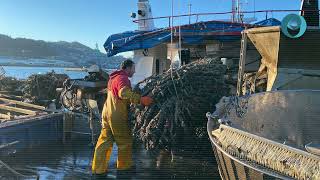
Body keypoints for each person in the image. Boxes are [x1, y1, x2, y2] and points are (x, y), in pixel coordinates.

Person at [92, 59, 153, 179]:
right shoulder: (123, 78)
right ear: (128, 68)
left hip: (106, 112)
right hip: (117, 115)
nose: (134, 72)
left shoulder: (113, 78)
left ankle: (98, 170)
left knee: (104, 142)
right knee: (124, 142)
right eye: (133, 69)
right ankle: (124, 169)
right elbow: (123, 93)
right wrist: (141, 99)